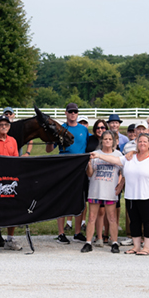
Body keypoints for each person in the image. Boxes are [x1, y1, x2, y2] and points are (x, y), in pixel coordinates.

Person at [48, 103, 89, 244]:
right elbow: (49, 149)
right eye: (70, 111)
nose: (73, 114)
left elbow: (94, 143)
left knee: (79, 199)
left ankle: (77, 232)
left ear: (77, 114)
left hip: (80, 167)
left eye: (75, 112)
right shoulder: (61, 129)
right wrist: (50, 138)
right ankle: (61, 233)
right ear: (66, 113)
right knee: (62, 199)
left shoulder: (83, 129)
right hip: (64, 166)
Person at [83, 130, 125, 253]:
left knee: (112, 218)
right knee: (92, 217)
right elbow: (90, 174)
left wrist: (120, 184)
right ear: (102, 141)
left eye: (109, 139)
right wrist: (89, 165)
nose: (107, 141)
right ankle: (88, 242)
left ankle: (115, 242)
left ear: (114, 141)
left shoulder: (118, 154)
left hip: (110, 190)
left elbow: (123, 171)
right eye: (105, 139)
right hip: (96, 188)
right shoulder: (95, 154)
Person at [0, 115, 23, 251]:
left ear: (9, 127)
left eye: (6, 125)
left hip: (10, 178)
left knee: (12, 208)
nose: (4, 126)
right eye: (1, 124)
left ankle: (10, 239)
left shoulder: (12, 140)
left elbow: (15, 159)